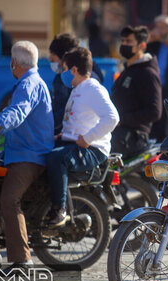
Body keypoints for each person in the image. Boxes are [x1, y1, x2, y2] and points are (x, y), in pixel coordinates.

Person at [0, 41, 54, 268]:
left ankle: (22, 259)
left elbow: (17, 112)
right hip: (20, 150)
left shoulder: (28, 84)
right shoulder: (30, 82)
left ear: (13, 63)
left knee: (9, 200)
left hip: (30, 155)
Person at [46, 47, 119, 226]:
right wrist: (65, 135)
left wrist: (87, 139)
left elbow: (112, 118)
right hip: (76, 145)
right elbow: (80, 121)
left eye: (64, 69)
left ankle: (60, 209)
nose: (62, 73)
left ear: (74, 70)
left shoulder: (93, 89)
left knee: (56, 159)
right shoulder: (78, 89)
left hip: (93, 150)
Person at [110, 26, 162, 159]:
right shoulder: (127, 70)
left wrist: (122, 119)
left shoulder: (147, 73)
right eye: (122, 41)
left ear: (142, 45)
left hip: (134, 137)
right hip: (117, 131)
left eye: (128, 41)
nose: (124, 45)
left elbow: (155, 111)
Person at [48, 33, 104, 135]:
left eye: (53, 53)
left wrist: (86, 139)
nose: (49, 58)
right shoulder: (62, 76)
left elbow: (111, 117)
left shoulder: (87, 82)